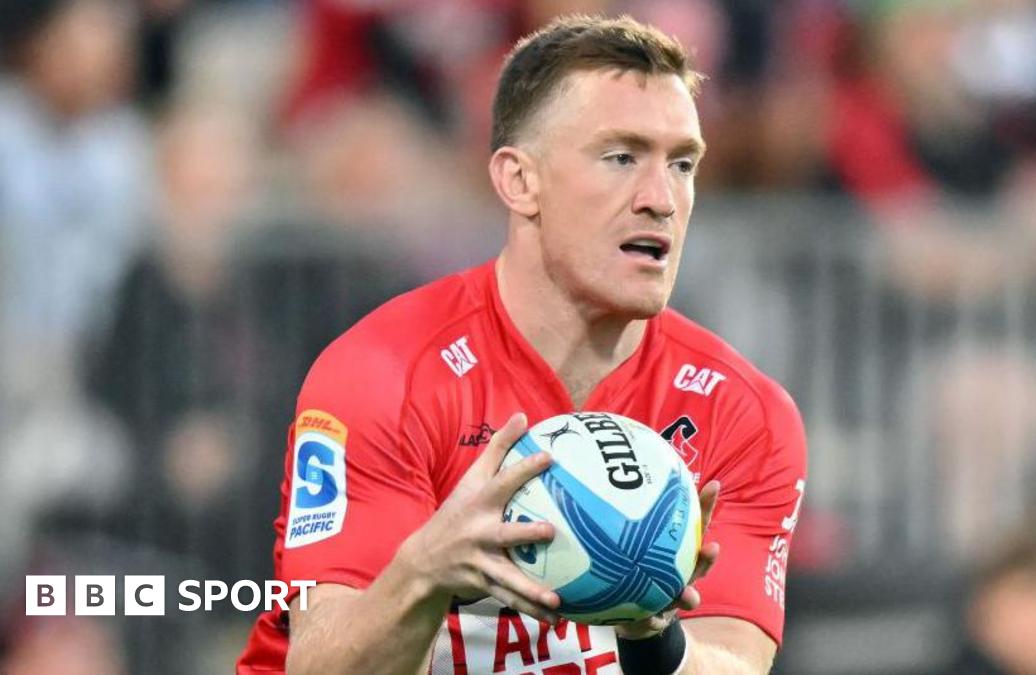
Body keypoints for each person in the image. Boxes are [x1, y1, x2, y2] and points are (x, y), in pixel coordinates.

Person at [237, 14, 807, 674]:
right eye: (621, 157)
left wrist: (654, 639)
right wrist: (427, 572)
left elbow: (735, 661)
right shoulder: (384, 375)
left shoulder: (744, 414)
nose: (662, 198)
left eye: (682, 163)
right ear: (519, 181)